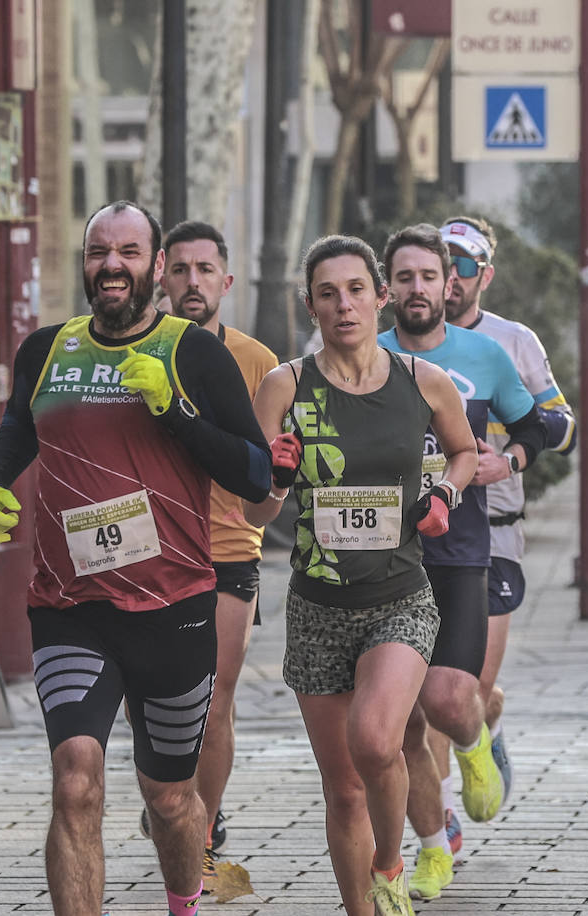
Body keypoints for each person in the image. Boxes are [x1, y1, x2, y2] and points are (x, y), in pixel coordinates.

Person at [0, 200, 274, 916]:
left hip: (174, 607)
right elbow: (18, 426)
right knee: (75, 778)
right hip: (69, 606)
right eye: (98, 251)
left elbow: (255, 476)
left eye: (128, 253)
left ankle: (183, 900)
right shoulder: (47, 348)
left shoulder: (194, 352)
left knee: (169, 797)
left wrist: (176, 409)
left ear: (157, 269)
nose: (111, 265)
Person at [244, 234, 477, 916]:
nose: (343, 305)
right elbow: (255, 508)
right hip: (316, 607)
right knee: (344, 788)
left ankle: (390, 859)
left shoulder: (422, 381)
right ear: (310, 306)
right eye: (326, 293)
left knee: (377, 740)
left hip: (399, 598)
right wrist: (279, 478)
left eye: (355, 290)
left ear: (381, 298)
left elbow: (465, 452)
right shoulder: (283, 385)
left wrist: (444, 496)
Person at [378, 223, 549, 902]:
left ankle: (477, 745)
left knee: (449, 697)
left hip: (459, 550)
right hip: (379, 556)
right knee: (398, 726)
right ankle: (430, 848)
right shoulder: (362, 351)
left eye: (430, 276)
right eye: (405, 278)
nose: (418, 289)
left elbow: (537, 424)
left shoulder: (484, 354)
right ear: (387, 287)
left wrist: (508, 460)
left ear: (449, 283)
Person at [435, 215, 578, 851]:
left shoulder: (511, 342)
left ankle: (489, 720)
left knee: (467, 690)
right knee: (425, 694)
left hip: (492, 530)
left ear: (484, 276)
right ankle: (438, 819)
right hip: (419, 532)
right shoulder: (393, 342)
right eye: (442, 265)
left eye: (464, 266)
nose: (451, 279)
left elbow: (562, 425)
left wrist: (511, 456)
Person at [151, 219, 279, 882]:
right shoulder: (135, 351)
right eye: (180, 270)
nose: (192, 282)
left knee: (217, 696)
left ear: (226, 282)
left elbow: (266, 462)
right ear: (161, 278)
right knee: (156, 697)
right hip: (148, 549)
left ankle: (203, 821)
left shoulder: (256, 361)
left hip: (228, 545)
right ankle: (168, 793)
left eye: (205, 270)